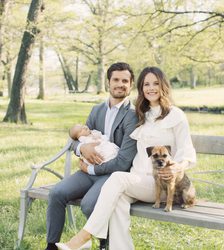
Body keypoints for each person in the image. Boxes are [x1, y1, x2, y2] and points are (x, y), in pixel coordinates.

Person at [56, 66, 196, 250]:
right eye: (146, 84)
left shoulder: (175, 115)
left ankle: (82, 238)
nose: (151, 88)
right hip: (136, 179)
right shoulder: (139, 115)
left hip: (160, 184)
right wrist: (83, 148)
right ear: (140, 88)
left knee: (117, 179)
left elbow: (187, 152)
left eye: (155, 83)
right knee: (118, 203)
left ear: (164, 86)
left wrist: (177, 167)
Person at [45, 62, 138, 250]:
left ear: (131, 85)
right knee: (57, 193)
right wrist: (82, 150)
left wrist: (91, 168)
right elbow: (77, 140)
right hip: (88, 172)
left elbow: (124, 161)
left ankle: (105, 242)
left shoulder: (133, 115)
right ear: (108, 82)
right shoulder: (97, 110)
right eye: (116, 80)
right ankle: (51, 245)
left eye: (125, 81)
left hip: (113, 175)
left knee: (88, 204)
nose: (120, 84)